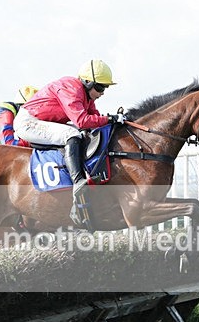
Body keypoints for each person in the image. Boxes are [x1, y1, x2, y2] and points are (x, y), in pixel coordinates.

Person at [13, 59, 122, 225]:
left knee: (84, 133)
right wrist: (108, 118)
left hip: (45, 121)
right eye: (99, 87)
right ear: (87, 82)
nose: (102, 92)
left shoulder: (87, 96)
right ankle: (78, 181)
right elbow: (82, 121)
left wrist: (112, 120)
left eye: (105, 88)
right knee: (72, 134)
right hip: (28, 122)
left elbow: (95, 119)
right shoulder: (71, 88)